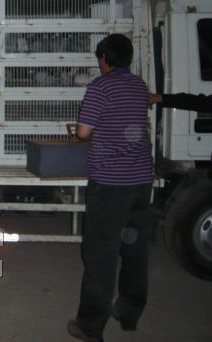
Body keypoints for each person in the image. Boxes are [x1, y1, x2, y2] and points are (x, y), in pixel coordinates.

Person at [67, 34, 154, 342]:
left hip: (110, 183)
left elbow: (83, 132)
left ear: (104, 59)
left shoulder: (99, 88)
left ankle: (90, 326)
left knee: (100, 255)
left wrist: (89, 132)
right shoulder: (139, 86)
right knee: (134, 250)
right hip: (141, 180)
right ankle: (128, 312)